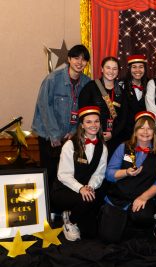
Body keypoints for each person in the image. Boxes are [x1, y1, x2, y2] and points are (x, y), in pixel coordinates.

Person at [99, 111, 156, 243]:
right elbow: (109, 173)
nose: (145, 131)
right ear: (135, 131)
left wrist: (143, 197)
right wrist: (126, 172)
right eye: (141, 127)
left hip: (141, 197)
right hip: (118, 197)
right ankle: (114, 215)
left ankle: (130, 220)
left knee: (142, 217)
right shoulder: (123, 147)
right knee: (108, 238)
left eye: (149, 128)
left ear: (154, 132)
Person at [32, 44, 91, 194]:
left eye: (84, 59)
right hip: (49, 135)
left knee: (69, 173)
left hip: (71, 136)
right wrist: (55, 135)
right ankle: (47, 207)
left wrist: (73, 131)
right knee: (50, 172)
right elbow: (44, 107)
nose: (79, 62)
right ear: (69, 59)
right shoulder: (53, 79)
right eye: (76, 58)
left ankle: (61, 207)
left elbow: (84, 111)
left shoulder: (86, 83)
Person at [51, 106, 107, 241]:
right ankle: (70, 220)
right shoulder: (70, 145)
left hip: (87, 190)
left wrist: (90, 187)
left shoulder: (103, 147)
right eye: (89, 122)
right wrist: (81, 188)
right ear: (82, 125)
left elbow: (99, 174)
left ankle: (74, 213)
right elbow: (63, 175)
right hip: (64, 190)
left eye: (96, 121)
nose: (93, 125)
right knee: (86, 199)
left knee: (91, 234)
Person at [79, 56, 126, 157]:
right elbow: (82, 114)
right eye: (108, 67)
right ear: (102, 69)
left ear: (118, 71)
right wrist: (95, 132)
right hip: (93, 137)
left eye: (114, 69)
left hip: (115, 139)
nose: (111, 71)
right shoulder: (90, 87)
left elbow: (123, 118)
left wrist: (112, 133)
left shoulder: (121, 92)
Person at [119, 54, 148, 141]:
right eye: (134, 67)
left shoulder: (150, 84)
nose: (138, 70)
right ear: (129, 69)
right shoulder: (121, 85)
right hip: (124, 133)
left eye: (141, 67)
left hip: (144, 133)